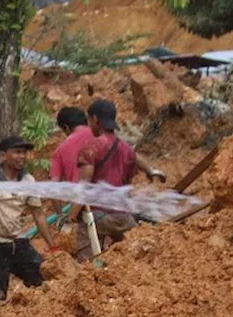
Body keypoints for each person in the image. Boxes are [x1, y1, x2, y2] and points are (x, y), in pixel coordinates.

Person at [69, 98, 168, 260]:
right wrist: (151, 170)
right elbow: (137, 158)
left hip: (98, 217)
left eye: (89, 120)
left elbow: (84, 186)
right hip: (123, 216)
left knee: (86, 265)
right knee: (134, 257)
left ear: (94, 119)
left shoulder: (91, 148)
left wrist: (71, 216)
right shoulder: (125, 148)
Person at [0, 136, 59, 302]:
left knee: (42, 277)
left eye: (24, 152)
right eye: (17, 152)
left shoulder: (28, 180)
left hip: (17, 240)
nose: (22, 156)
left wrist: (53, 247)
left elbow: (39, 215)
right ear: (4, 155)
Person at [48, 106, 95, 183]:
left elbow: (54, 184)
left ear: (66, 128)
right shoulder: (101, 138)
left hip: (76, 193)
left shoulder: (59, 151)